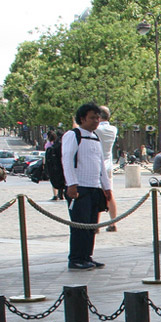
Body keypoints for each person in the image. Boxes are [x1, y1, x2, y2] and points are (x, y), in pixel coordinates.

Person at [62, 102, 114, 271]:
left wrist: (106, 188)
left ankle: (87, 256)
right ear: (82, 119)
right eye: (92, 117)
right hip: (79, 188)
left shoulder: (95, 137)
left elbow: (100, 165)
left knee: (91, 225)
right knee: (80, 225)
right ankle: (76, 258)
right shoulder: (73, 135)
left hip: (94, 187)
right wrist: (72, 184)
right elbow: (67, 160)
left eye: (98, 117)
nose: (96, 121)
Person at [94, 106, 119, 229]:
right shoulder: (113, 129)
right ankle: (113, 222)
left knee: (96, 194)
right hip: (108, 164)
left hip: (97, 164)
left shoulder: (97, 129)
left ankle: (96, 224)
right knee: (109, 194)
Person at [45, 130, 65, 200]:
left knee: (54, 179)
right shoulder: (62, 144)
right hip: (62, 164)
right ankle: (61, 193)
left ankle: (55, 194)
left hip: (54, 165)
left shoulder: (49, 145)